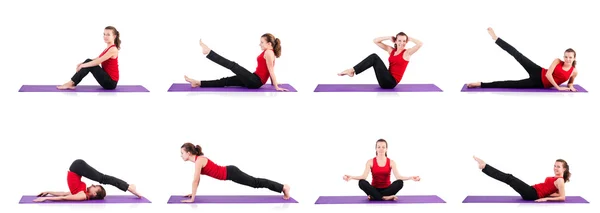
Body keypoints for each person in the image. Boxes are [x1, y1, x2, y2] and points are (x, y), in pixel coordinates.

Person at [467, 27, 579, 91]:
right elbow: (548, 75)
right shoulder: (558, 61)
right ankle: (496, 38)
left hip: (538, 83)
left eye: (570, 57)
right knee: (518, 55)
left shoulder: (574, 71)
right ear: (563, 56)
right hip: (539, 71)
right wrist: (558, 88)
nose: (567, 59)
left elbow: (570, 83)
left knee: (509, 84)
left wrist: (571, 86)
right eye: (566, 56)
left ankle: (480, 84)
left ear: (574, 58)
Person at [179, 142, 291, 203]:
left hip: (231, 172)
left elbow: (195, 180)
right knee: (255, 182)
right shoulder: (198, 160)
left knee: (255, 182)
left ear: (188, 153)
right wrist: (192, 194)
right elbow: (197, 180)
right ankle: (282, 187)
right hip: (230, 172)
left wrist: (192, 198)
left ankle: (283, 187)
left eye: (182, 153)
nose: (181, 155)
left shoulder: (199, 160)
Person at [184, 33, 288, 91]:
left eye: (262, 42)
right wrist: (273, 83)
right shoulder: (267, 51)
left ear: (269, 43)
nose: (259, 44)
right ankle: (198, 82)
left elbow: (271, 70)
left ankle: (209, 52)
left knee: (233, 66)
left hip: (255, 81)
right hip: (253, 78)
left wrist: (276, 86)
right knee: (226, 81)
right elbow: (269, 69)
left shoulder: (269, 53)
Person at [343, 139, 421, 201]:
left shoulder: (391, 162)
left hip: (387, 189)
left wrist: (411, 178)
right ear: (376, 148)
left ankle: (375, 196)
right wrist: (351, 177)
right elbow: (363, 176)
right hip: (374, 188)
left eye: (383, 147)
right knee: (361, 182)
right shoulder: (370, 162)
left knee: (399, 183)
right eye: (379, 147)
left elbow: (398, 177)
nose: (381, 149)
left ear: (386, 149)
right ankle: (384, 197)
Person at [338, 32, 423, 89]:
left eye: (404, 41)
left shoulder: (407, 53)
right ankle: (352, 71)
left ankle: (351, 71)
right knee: (374, 57)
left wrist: (410, 38)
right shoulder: (391, 50)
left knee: (374, 57)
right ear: (395, 41)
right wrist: (388, 37)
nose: (402, 43)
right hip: (385, 79)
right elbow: (375, 41)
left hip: (391, 83)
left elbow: (420, 44)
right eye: (399, 40)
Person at [33, 159, 141, 202]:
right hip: (78, 167)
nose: (93, 184)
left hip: (77, 167)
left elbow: (64, 196)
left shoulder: (82, 195)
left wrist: (47, 194)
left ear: (94, 193)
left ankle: (129, 187)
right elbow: (65, 196)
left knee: (103, 178)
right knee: (102, 178)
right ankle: (128, 186)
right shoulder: (82, 192)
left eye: (95, 186)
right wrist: (47, 195)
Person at [472, 156, 570, 202]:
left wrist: (545, 199)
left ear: (564, 169)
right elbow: (556, 193)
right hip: (532, 191)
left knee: (509, 178)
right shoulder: (556, 179)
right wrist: (548, 194)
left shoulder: (560, 180)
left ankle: (485, 167)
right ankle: (485, 167)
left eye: (558, 167)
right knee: (509, 178)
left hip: (532, 194)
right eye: (555, 166)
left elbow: (562, 197)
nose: (555, 168)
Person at [57, 26, 121, 90]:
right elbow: (97, 58)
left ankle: (71, 83)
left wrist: (83, 65)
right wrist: (82, 63)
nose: (105, 36)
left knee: (91, 64)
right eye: (104, 34)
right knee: (88, 60)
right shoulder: (107, 49)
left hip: (111, 83)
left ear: (114, 36)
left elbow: (98, 61)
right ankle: (71, 82)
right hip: (107, 79)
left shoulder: (113, 49)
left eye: (108, 35)